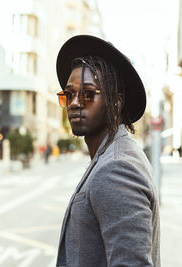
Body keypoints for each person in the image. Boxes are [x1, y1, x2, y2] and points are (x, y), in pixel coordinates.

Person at [55, 35, 160, 267]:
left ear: (116, 101)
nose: (74, 103)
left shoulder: (116, 168)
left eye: (88, 93)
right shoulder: (116, 153)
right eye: (69, 95)